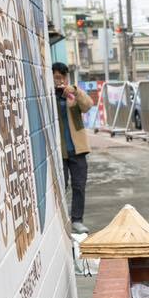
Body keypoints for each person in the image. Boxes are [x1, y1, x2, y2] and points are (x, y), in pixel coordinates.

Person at [54, 62, 94, 235]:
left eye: (63, 77)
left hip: (78, 150)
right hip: (60, 151)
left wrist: (75, 91)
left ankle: (77, 220)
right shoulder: (49, 96)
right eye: (56, 77)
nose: (60, 81)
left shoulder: (72, 95)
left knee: (79, 185)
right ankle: (60, 220)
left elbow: (88, 105)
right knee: (62, 186)